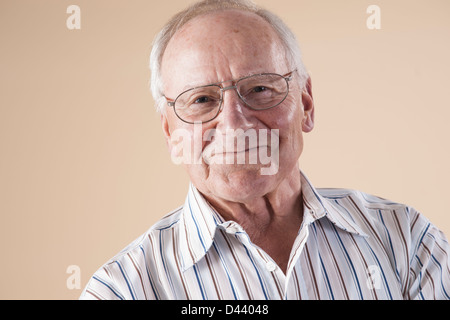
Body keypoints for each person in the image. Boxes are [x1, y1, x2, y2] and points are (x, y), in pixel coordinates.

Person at [80, 0, 450, 300]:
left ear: (305, 104)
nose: (234, 123)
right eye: (202, 99)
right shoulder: (122, 290)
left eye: (259, 89)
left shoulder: (407, 240)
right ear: (170, 132)